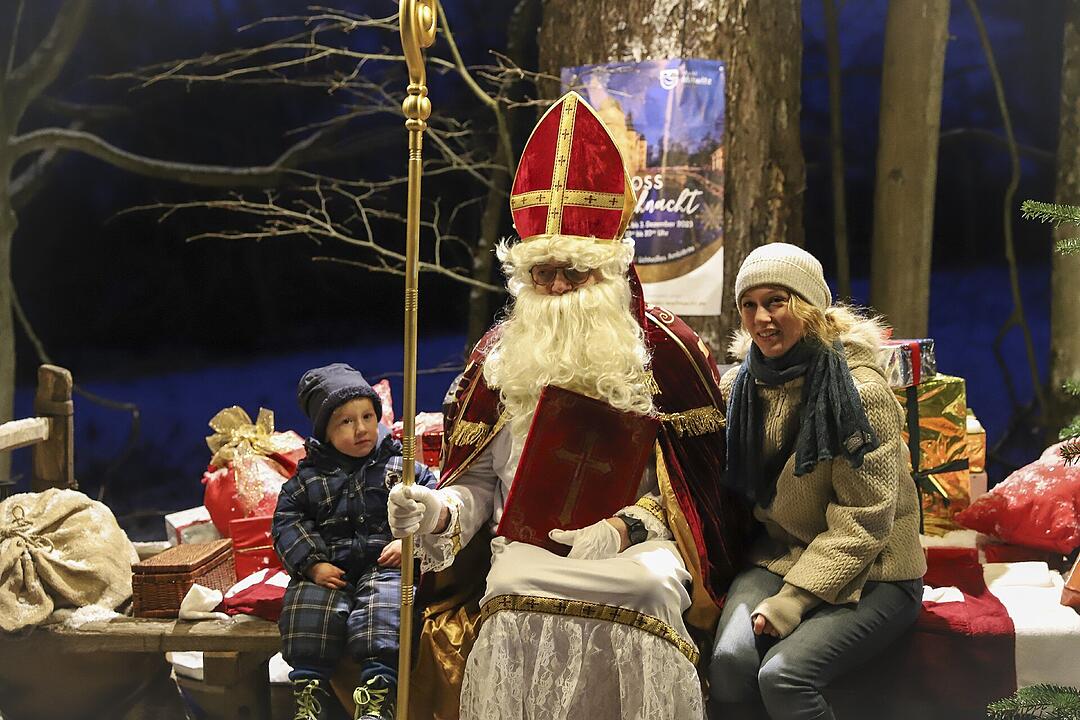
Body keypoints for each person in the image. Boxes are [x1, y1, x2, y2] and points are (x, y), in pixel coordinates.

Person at [387, 91, 747, 720]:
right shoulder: (499, 358)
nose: (553, 288)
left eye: (571, 274)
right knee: (510, 585)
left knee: (650, 586)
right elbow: (475, 484)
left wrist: (626, 527)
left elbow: (700, 489)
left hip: (635, 548)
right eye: (540, 273)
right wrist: (439, 511)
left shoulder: (664, 350)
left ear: (605, 272)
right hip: (527, 550)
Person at [707, 243, 927, 720]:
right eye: (750, 305)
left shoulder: (858, 393)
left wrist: (792, 601)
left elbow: (864, 521)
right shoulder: (740, 388)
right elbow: (698, 477)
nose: (761, 317)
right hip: (781, 556)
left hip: (878, 571)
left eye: (776, 301)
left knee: (784, 676)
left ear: (808, 306)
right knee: (726, 664)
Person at [273, 362, 438, 720]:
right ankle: (309, 692)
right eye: (346, 422)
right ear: (325, 432)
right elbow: (288, 522)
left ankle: (379, 690)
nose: (361, 428)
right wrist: (313, 564)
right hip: (331, 567)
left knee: (389, 605)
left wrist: (411, 543)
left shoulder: (402, 466)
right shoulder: (308, 479)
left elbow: (433, 502)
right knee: (306, 604)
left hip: (386, 563)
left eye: (367, 416)